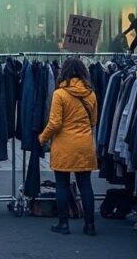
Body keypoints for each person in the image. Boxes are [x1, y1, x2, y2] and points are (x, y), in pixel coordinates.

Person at [39, 58, 97, 236]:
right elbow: (93, 121)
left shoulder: (60, 94)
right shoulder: (91, 94)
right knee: (85, 185)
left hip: (64, 145)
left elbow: (55, 123)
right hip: (84, 145)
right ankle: (89, 225)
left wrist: (43, 137)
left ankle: (63, 223)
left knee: (62, 185)